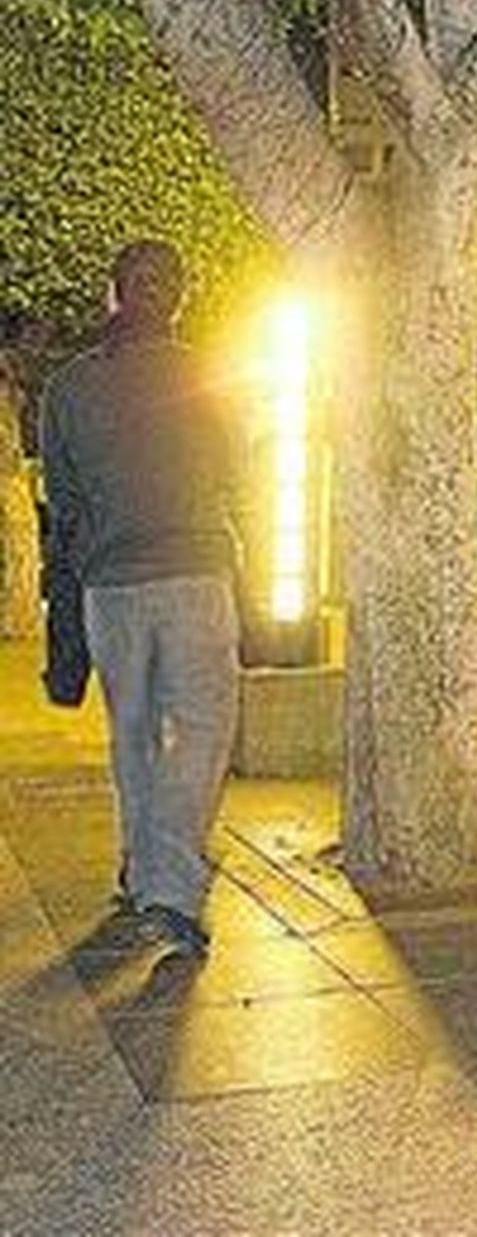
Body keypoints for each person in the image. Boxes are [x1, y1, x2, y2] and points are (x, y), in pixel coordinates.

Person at [40, 240, 242, 958]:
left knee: (131, 729)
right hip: (195, 570)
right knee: (201, 729)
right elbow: (235, 465)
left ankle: (139, 866)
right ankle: (170, 891)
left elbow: (60, 500)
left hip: (109, 584)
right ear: (178, 300)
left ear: (111, 294)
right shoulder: (211, 373)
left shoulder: (68, 388)